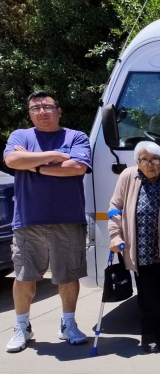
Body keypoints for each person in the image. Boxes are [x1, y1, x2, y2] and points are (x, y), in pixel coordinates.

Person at [4, 91, 92, 353]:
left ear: (58, 110)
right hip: (28, 220)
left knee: (68, 276)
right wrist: (55, 155)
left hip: (68, 219)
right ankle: (22, 327)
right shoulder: (20, 136)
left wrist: (33, 165)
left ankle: (68, 324)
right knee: (23, 277)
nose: (42, 112)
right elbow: (12, 160)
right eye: (35, 108)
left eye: (47, 106)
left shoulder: (76, 137)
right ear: (29, 113)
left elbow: (76, 168)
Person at [108, 141, 160, 353]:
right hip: (141, 250)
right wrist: (115, 235)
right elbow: (115, 207)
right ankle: (149, 335)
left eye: (155, 159)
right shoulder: (127, 177)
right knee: (147, 295)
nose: (150, 164)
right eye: (144, 160)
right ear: (137, 162)